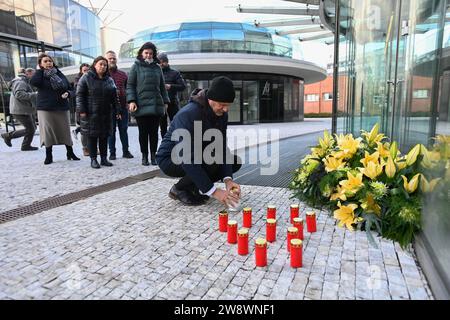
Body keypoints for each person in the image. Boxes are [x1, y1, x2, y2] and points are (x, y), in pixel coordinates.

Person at [156, 76, 242, 206]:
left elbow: (221, 146)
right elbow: (186, 157)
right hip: (171, 158)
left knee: (233, 161)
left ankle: (194, 186)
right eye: (222, 105)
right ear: (210, 99)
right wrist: (214, 191)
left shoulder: (221, 114)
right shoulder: (188, 114)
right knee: (211, 158)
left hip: (198, 153)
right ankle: (179, 189)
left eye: (228, 105)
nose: (226, 109)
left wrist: (228, 180)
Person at [30, 53, 80, 165]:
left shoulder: (59, 73)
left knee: (65, 131)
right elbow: (34, 82)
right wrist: (39, 70)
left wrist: (68, 93)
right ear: (41, 64)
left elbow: (70, 88)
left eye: (50, 61)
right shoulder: (40, 75)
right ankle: (49, 155)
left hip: (62, 107)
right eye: (45, 61)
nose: (48, 63)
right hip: (45, 108)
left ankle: (70, 152)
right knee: (48, 132)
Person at [127, 42, 169, 166]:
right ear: (141, 53)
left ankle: (153, 156)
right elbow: (130, 86)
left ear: (153, 54)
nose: (148, 55)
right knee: (143, 133)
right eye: (146, 53)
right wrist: (132, 101)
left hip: (156, 105)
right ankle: (144, 156)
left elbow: (162, 86)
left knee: (154, 133)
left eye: (151, 53)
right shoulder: (135, 66)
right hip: (141, 105)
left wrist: (165, 102)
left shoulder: (157, 67)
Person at [76, 56, 121, 169]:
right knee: (92, 136)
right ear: (95, 65)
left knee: (104, 136)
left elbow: (115, 97)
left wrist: (117, 110)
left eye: (105, 65)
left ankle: (104, 158)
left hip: (106, 113)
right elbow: (80, 95)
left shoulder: (109, 79)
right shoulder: (86, 77)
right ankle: (93, 159)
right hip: (91, 113)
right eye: (101, 64)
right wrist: (82, 110)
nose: (103, 66)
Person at [105, 50, 134, 160]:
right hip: (109, 108)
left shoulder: (123, 74)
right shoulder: (103, 74)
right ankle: (112, 153)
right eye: (109, 58)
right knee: (111, 131)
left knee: (124, 130)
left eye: (114, 58)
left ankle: (126, 151)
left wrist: (128, 102)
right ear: (106, 60)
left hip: (122, 107)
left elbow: (128, 89)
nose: (112, 60)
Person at [1, 68, 38, 151]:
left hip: (23, 109)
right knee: (30, 129)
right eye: (34, 74)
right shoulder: (20, 82)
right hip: (20, 110)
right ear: (28, 73)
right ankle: (8, 136)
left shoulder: (24, 82)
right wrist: (35, 94)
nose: (35, 76)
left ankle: (26, 145)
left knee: (32, 128)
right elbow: (19, 94)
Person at [157, 52, 186, 139]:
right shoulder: (156, 73)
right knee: (162, 126)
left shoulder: (175, 73)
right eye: (159, 62)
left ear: (167, 62)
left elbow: (182, 86)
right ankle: (165, 145)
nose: (161, 64)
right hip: (160, 104)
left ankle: (176, 144)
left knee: (176, 125)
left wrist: (170, 86)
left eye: (163, 62)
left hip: (173, 103)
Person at [72, 63, 90, 156]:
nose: (86, 72)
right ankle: (85, 149)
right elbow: (78, 95)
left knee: (91, 129)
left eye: (88, 70)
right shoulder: (78, 81)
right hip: (81, 109)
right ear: (81, 71)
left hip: (91, 107)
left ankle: (91, 148)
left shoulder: (92, 78)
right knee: (84, 130)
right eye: (84, 70)